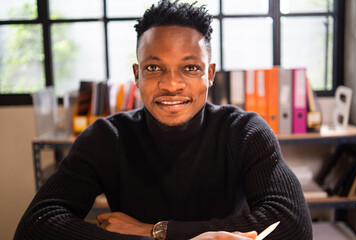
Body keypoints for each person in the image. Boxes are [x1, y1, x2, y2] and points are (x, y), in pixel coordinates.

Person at [14, 0, 312, 239]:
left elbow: (291, 225)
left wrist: (156, 231)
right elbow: (37, 224)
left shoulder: (245, 131)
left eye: (190, 68)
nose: (171, 84)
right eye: (154, 67)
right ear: (137, 75)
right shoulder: (106, 137)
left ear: (209, 74)